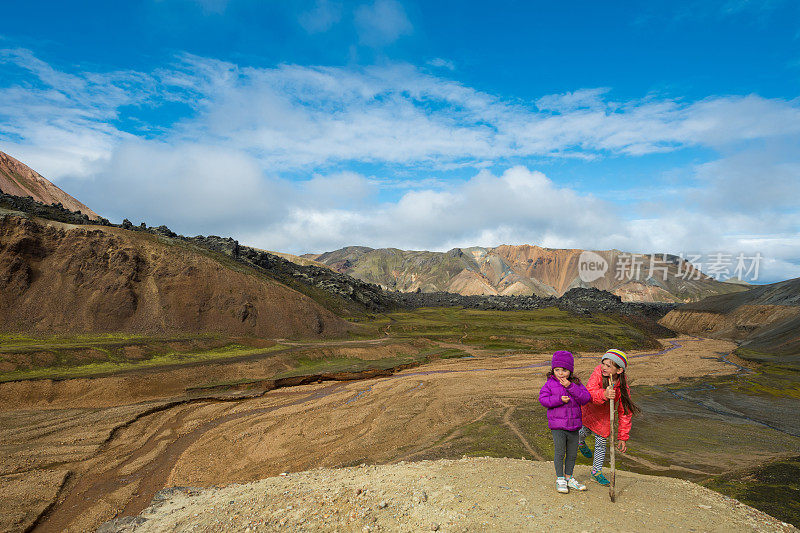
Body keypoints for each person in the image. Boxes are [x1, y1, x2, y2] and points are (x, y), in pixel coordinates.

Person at [578, 348, 640, 485]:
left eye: (608, 365)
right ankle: (579, 442)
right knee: (584, 432)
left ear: (619, 370)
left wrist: (623, 437)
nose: (604, 367)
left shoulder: (622, 387)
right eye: (603, 363)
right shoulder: (597, 373)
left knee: (601, 444)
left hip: (604, 418)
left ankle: (596, 472)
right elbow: (589, 392)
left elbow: (625, 412)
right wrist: (604, 395)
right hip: (589, 411)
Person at [539, 350, 591, 493]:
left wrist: (570, 386)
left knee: (573, 454)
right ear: (553, 370)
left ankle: (569, 478)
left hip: (574, 426)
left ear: (571, 370)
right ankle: (560, 479)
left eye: (564, 370)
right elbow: (543, 400)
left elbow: (585, 398)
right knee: (560, 452)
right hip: (558, 426)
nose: (561, 373)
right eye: (557, 370)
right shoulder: (550, 384)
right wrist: (558, 400)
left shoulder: (576, 383)